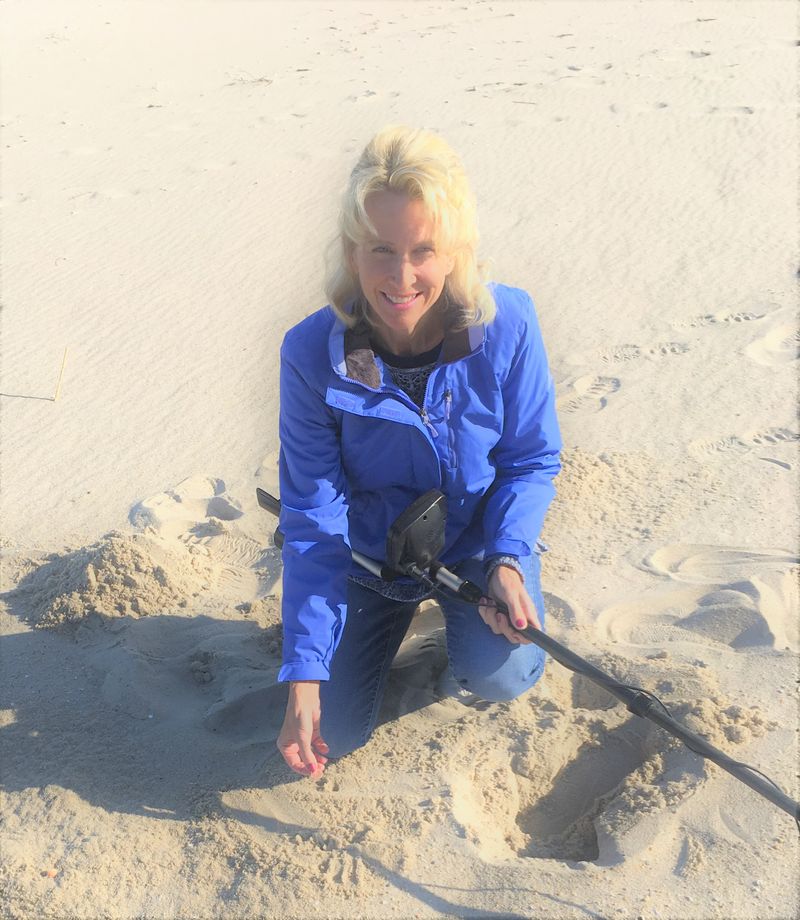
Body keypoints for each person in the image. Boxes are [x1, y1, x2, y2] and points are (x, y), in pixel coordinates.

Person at [275, 125, 561, 777]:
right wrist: (303, 675)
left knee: (507, 672)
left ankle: (472, 620)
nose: (401, 277)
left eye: (423, 251)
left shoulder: (509, 325)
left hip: (474, 549)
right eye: (381, 249)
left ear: (454, 252)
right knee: (333, 730)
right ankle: (339, 643)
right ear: (352, 252)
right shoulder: (309, 354)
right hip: (366, 559)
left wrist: (510, 559)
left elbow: (530, 460)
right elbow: (314, 523)